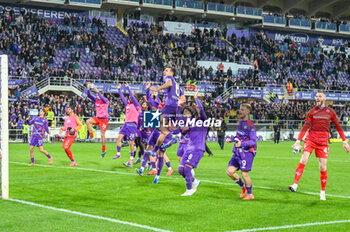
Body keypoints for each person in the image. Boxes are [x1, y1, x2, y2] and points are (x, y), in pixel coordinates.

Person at [289, 92, 350, 200]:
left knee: (322, 167)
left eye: (320, 96)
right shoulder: (311, 112)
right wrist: (298, 141)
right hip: (311, 139)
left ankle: (322, 191)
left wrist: (344, 141)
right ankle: (295, 185)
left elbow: (338, 126)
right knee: (303, 159)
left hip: (323, 142)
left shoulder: (330, 112)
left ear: (325, 98)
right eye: (316, 96)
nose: (317, 98)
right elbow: (305, 127)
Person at [177, 91, 207, 196]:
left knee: (187, 168)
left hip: (197, 148)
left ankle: (189, 190)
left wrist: (196, 99)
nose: (197, 111)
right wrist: (178, 105)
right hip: (189, 147)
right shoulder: (191, 123)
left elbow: (202, 111)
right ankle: (194, 181)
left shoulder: (204, 121)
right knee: (181, 170)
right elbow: (180, 119)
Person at [226, 104, 257, 200]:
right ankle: (243, 187)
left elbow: (253, 141)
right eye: (240, 110)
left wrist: (241, 144)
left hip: (247, 152)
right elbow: (238, 136)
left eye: (243, 110)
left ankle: (250, 194)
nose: (240, 111)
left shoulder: (251, 126)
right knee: (230, 172)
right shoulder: (240, 123)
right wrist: (231, 139)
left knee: (244, 174)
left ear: (247, 112)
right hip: (238, 152)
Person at [151, 66, 181, 156]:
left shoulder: (168, 78)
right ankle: (155, 150)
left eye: (167, 70)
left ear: (172, 73)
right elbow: (182, 97)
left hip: (169, 105)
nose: (164, 71)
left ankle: (171, 137)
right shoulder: (178, 84)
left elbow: (169, 83)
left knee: (157, 123)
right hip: (176, 106)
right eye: (164, 70)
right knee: (163, 129)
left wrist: (157, 89)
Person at [114, 83, 141, 165]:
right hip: (125, 124)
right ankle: (118, 153)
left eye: (130, 97)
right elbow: (122, 97)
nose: (129, 98)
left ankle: (131, 159)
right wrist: (119, 89)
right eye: (129, 97)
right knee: (119, 138)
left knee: (131, 142)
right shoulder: (128, 104)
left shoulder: (137, 105)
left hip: (132, 125)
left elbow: (132, 96)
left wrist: (128, 88)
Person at [86, 83, 110, 158]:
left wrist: (96, 89)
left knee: (102, 135)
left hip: (104, 119)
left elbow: (102, 98)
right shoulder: (96, 100)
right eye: (96, 95)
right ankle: (91, 136)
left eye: (98, 95)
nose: (97, 96)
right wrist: (88, 89)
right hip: (98, 118)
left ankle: (103, 150)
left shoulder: (105, 100)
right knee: (88, 121)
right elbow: (89, 95)